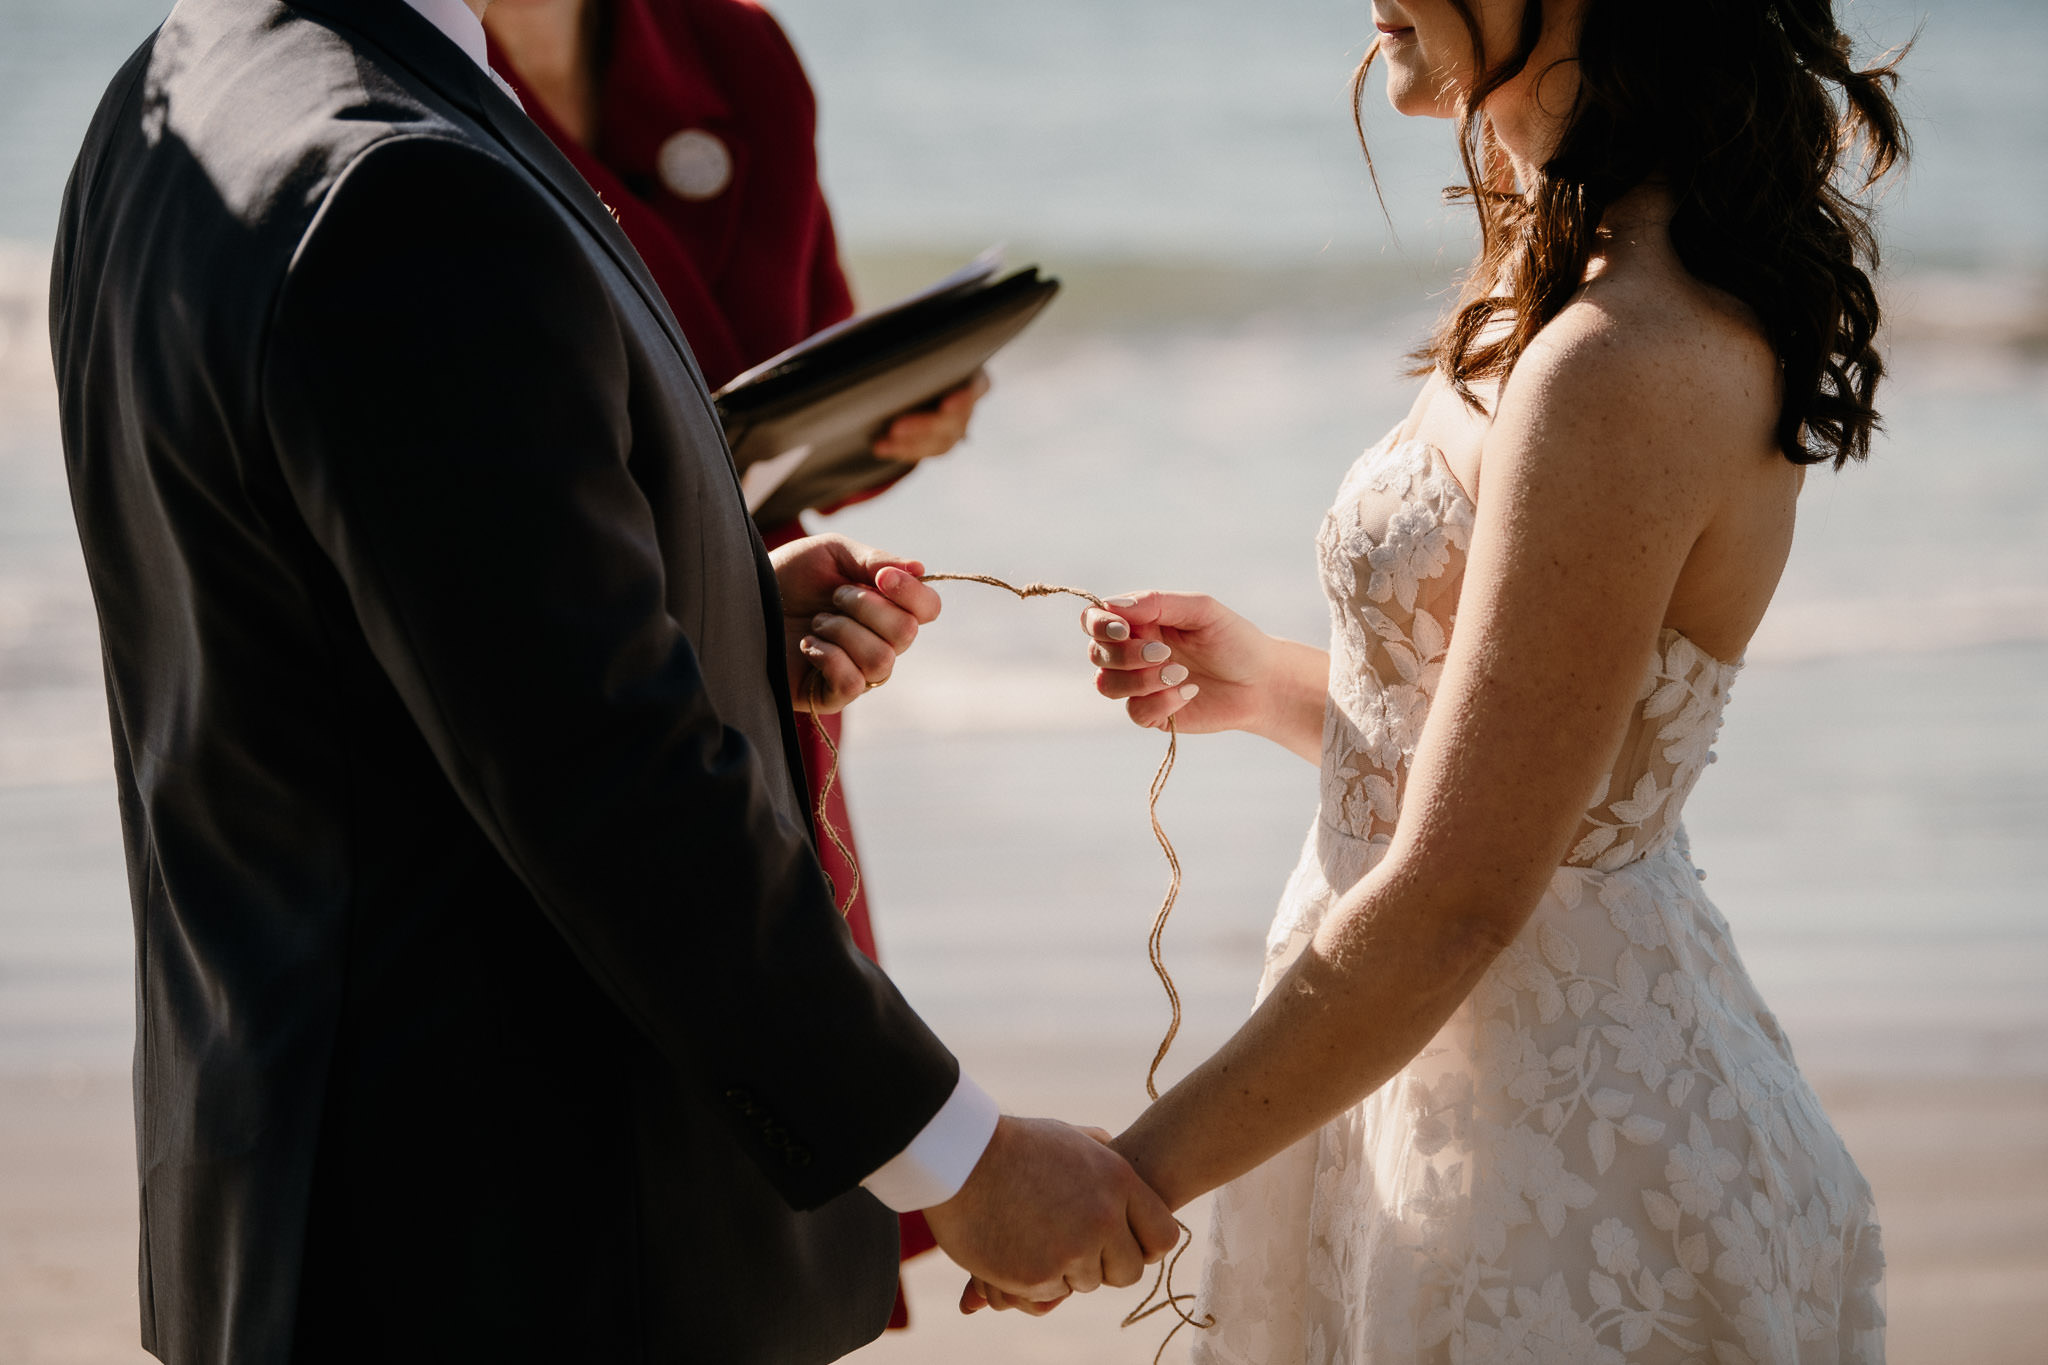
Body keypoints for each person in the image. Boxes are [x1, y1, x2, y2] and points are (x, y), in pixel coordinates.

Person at [48, 0, 1176, 1361]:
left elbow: (364, 631)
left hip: (302, 1202)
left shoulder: (172, 94)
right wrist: (962, 1157)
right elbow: (605, 784)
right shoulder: (403, 188)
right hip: (512, 1252)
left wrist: (723, 612)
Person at [980, 1, 1900, 1359]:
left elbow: (1467, 893)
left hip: (1566, 1179)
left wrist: (1133, 1175)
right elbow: (1520, 756)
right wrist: (1272, 683)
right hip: (1413, 1086)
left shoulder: (1623, 353)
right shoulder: (1555, 265)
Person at [478, 0, 984, 1322]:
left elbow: (800, 388)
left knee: (761, 1252)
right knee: (584, 1228)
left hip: (770, 694)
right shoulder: (405, 93)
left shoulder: (738, 54)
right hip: (546, 728)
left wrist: (897, 427)